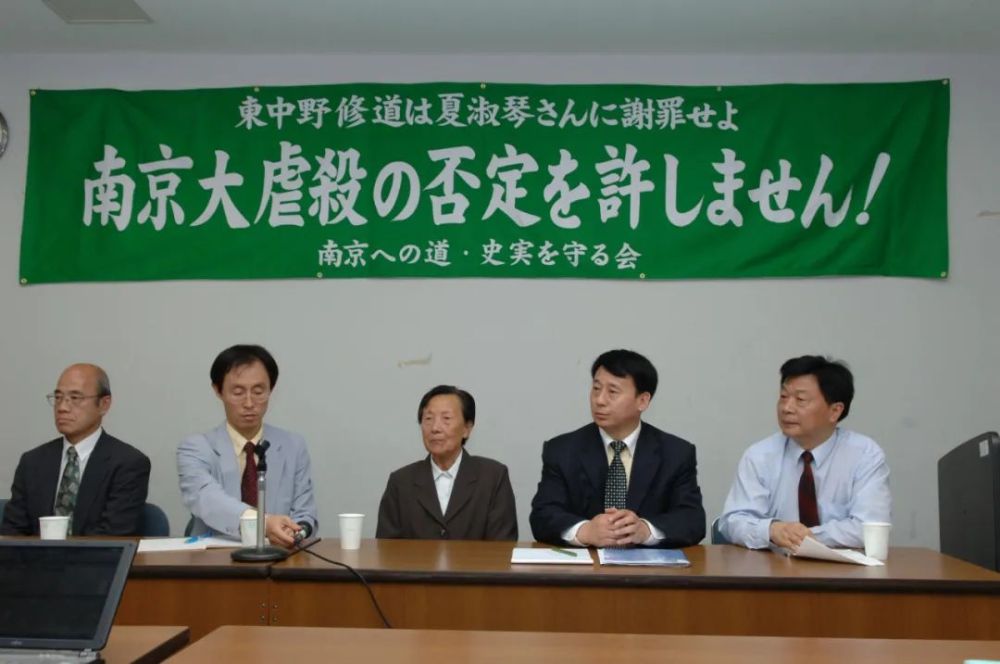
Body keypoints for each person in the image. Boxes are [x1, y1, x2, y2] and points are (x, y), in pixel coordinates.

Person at [529, 349, 705, 548]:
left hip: (648, 565)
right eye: (596, 389)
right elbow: (543, 516)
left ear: (642, 401)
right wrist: (586, 531)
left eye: (612, 392)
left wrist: (645, 530)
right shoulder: (562, 450)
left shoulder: (676, 453)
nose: (599, 400)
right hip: (587, 564)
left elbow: (692, 519)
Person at [718, 355, 891, 550]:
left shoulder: (865, 455)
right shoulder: (760, 455)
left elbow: (870, 528)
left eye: (800, 400)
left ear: (835, 411)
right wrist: (772, 530)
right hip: (775, 565)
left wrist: (804, 537)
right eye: (783, 397)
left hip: (842, 567)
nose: (787, 408)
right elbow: (733, 521)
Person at [177, 344, 317, 547]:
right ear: (218, 390)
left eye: (259, 391)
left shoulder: (293, 446)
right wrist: (264, 523)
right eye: (238, 392)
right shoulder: (196, 448)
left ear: (271, 390)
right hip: (214, 558)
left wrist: (295, 530)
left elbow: (305, 512)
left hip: (279, 554)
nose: (249, 403)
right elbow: (206, 499)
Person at [1, 363, 150, 536]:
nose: (62, 408)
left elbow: (113, 536)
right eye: (58, 398)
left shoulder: (128, 464)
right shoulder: (32, 462)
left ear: (104, 404)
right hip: (36, 555)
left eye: (75, 398)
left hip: (96, 555)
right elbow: (13, 533)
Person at [377, 385, 517, 540]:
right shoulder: (401, 481)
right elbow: (386, 547)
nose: (435, 428)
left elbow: (502, 546)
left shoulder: (493, 478)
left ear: (467, 428)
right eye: (428, 419)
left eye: (446, 418)